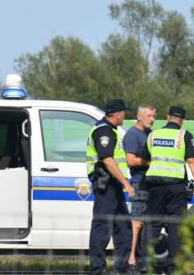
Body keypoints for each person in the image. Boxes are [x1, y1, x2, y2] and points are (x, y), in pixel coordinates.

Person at [141, 106, 194, 274]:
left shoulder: (153, 135)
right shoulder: (184, 135)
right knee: (176, 228)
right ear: (182, 121)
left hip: (154, 187)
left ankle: (148, 267)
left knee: (152, 226)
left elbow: (145, 159)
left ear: (167, 117)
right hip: (175, 189)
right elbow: (192, 161)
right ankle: (173, 268)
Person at [86, 99, 136, 275]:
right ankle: (97, 269)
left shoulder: (111, 131)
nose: (125, 115)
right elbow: (107, 159)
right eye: (124, 112)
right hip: (106, 185)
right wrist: (127, 184)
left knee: (123, 228)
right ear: (117, 113)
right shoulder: (103, 132)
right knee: (102, 228)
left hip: (113, 186)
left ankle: (122, 267)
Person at [123, 105, 156, 272]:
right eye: (149, 116)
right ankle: (131, 259)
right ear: (139, 116)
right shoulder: (132, 135)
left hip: (151, 183)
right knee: (136, 223)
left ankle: (145, 260)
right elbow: (131, 161)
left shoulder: (150, 134)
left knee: (148, 223)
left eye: (153, 116)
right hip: (139, 182)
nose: (152, 119)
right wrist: (153, 162)